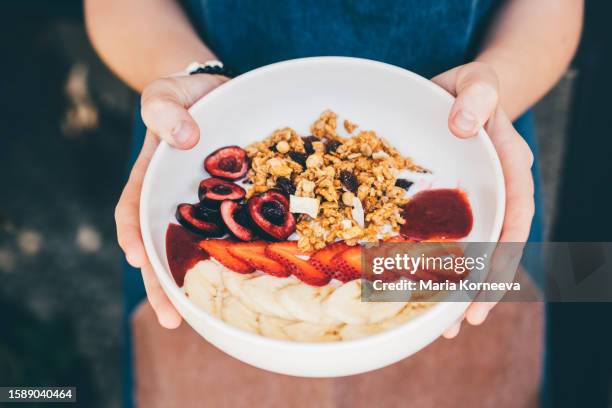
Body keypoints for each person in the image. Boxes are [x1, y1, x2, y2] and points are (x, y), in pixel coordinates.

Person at [85, 0, 583, 406]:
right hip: (195, 135)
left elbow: (551, 11)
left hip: (476, 150)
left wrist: (487, 98)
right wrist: (191, 84)